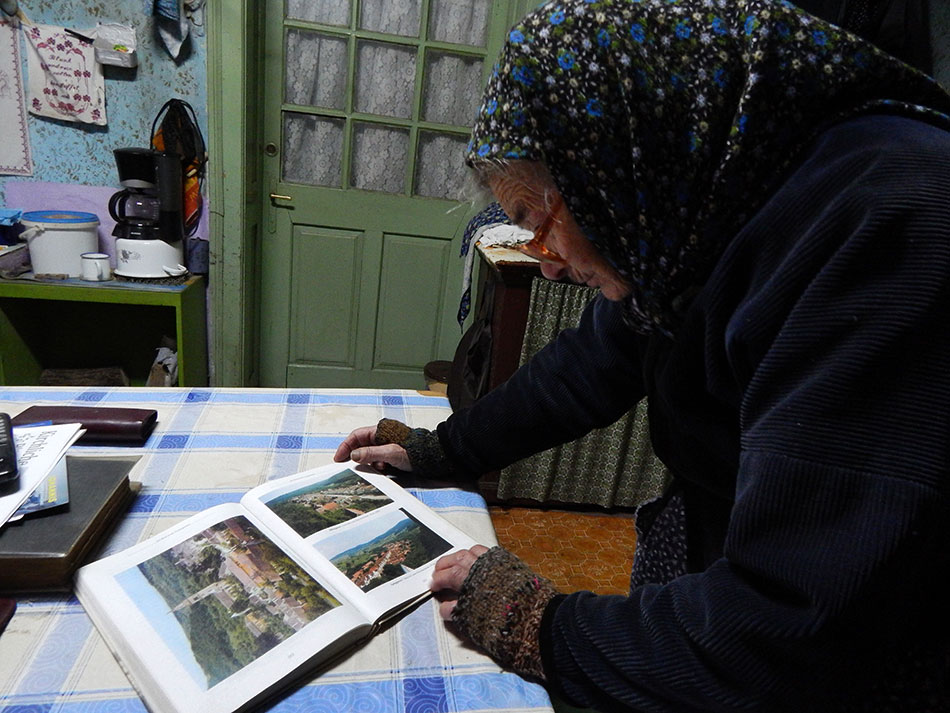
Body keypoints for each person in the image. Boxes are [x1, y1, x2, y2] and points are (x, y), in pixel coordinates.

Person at [335, 0, 950, 710]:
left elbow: (790, 631)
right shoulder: (691, 204)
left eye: (540, 224)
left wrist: (541, 626)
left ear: (608, 166)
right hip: (723, 553)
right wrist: (440, 449)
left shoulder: (889, 227)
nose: (548, 263)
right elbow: (584, 368)